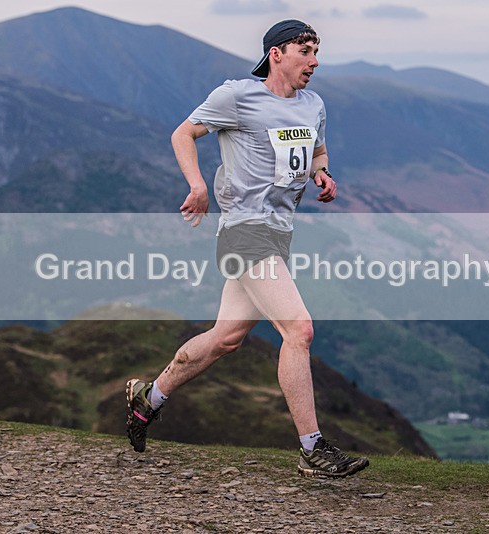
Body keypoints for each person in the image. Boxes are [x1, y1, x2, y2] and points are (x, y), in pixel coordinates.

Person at [126, 19, 369, 478]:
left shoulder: (313, 104)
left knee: (225, 339)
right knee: (299, 331)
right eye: (304, 51)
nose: (314, 61)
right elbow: (183, 134)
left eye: (316, 51)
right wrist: (198, 186)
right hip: (243, 230)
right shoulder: (237, 96)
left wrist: (322, 173)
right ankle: (313, 450)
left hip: (278, 232)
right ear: (276, 54)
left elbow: (318, 151)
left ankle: (148, 398)